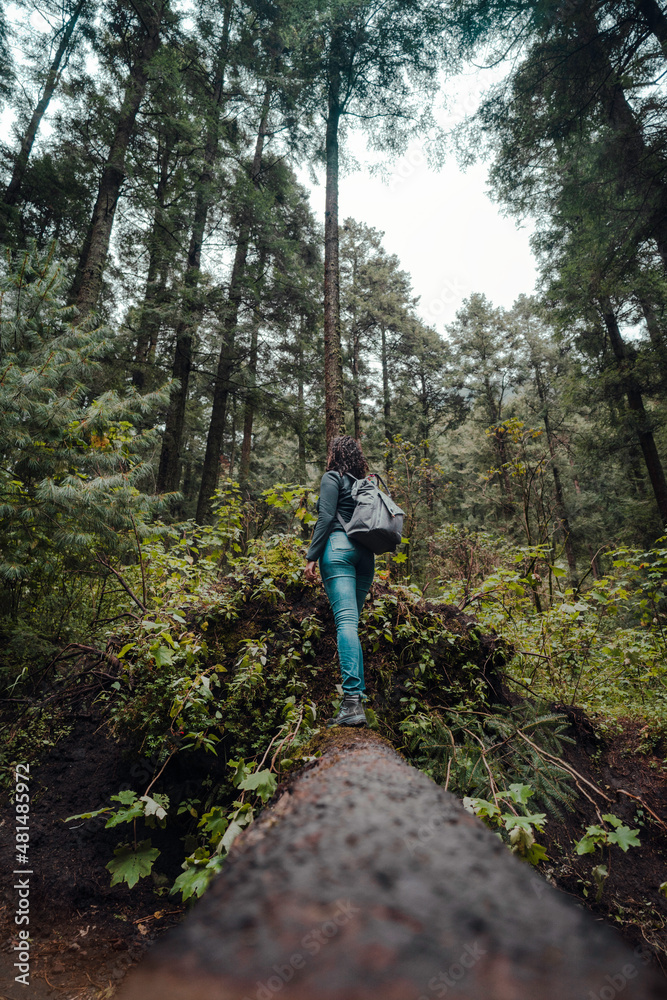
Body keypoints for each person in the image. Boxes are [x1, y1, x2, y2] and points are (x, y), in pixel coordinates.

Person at [304, 435, 374, 727]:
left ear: (334, 454)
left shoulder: (332, 477)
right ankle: (357, 699)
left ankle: (350, 704)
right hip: (366, 556)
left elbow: (325, 517)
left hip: (339, 550)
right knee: (352, 623)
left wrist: (311, 555)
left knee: (345, 623)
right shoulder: (365, 484)